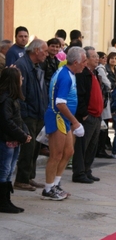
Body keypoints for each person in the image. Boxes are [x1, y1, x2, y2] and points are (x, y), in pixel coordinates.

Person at [42, 47, 87, 200]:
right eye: (84, 61)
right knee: (56, 154)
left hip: (64, 119)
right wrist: (75, 123)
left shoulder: (70, 73)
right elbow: (60, 103)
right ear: (76, 62)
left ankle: (56, 183)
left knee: (68, 152)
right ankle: (48, 189)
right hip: (58, 118)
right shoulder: (66, 77)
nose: (85, 64)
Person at [13, 39, 48, 191]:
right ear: (36, 51)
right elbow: (21, 93)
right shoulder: (22, 64)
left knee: (35, 147)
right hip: (28, 114)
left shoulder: (36, 65)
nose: (47, 54)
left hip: (38, 113)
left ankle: (29, 177)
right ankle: (21, 179)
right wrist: (26, 112)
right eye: (45, 51)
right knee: (29, 147)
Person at [0, 68, 31, 213]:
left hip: (14, 140)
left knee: (10, 170)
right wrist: (22, 135)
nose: (22, 80)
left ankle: (6, 200)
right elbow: (7, 122)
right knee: (4, 170)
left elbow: (18, 119)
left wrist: (25, 133)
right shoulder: (5, 99)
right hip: (6, 140)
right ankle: (2, 202)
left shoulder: (13, 98)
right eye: (20, 77)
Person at [72, 46, 103, 183]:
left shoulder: (94, 73)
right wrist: (84, 114)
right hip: (87, 116)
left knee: (92, 146)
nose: (97, 59)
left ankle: (87, 170)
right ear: (86, 59)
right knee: (82, 146)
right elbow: (80, 95)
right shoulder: (82, 74)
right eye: (94, 57)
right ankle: (79, 173)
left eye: (97, 56)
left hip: (96, 116)